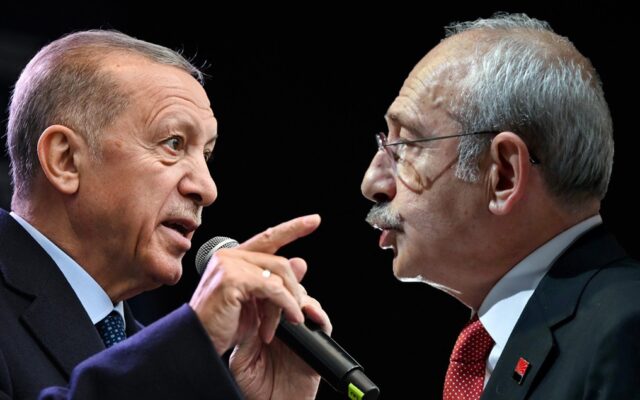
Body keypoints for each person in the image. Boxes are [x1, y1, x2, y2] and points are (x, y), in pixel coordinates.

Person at [0, 30, 331, 399]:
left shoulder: (147, 358)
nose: (207, 188)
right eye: (173, 143)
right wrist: (191, 342)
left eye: (206, 155)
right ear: (65, 160)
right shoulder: (168, 364)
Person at [361, 12, 640, 399]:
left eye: (407, 145)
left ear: (504, 175)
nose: (372, 183)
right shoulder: (502, 343)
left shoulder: (625, 334)